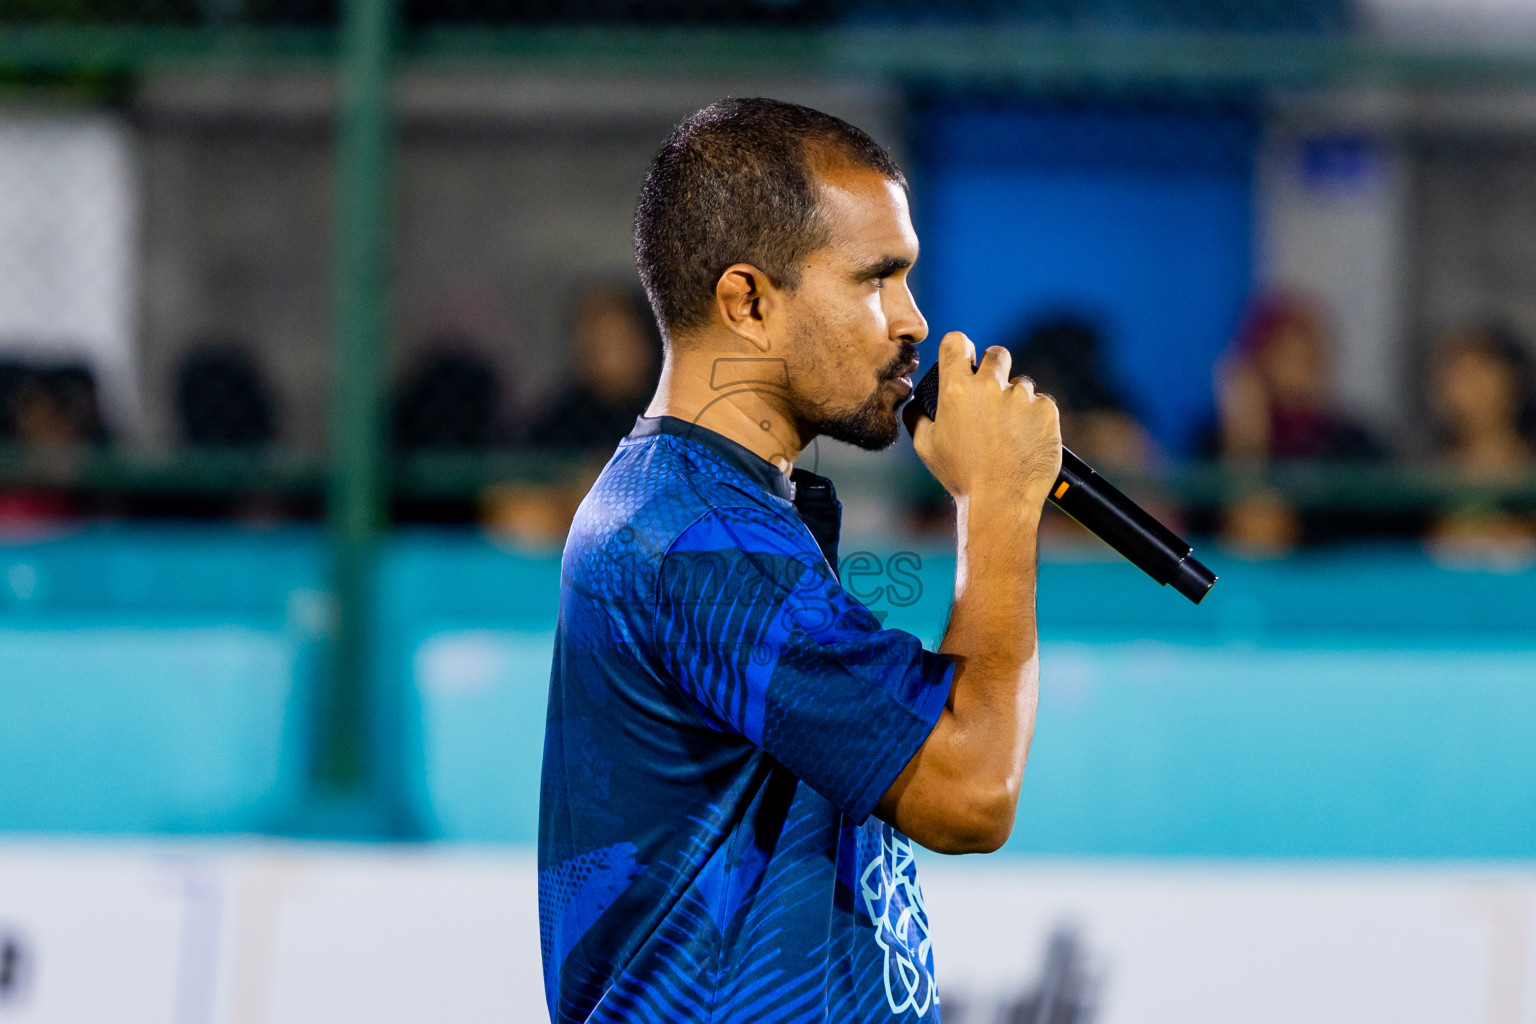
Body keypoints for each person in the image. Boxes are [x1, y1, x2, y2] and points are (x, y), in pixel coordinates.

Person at [539, 98, 1061, 1024]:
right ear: (748, 302)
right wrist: (998, 507)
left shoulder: (716, 511)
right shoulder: (694, 539)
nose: (913, 320)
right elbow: (973, 790)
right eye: (877, 280)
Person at [1203, 292, 1389, 552]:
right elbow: (1243, 534)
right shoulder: (1213, 442)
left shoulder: (1354, 445)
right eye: (1285, 354)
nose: (1300, 370)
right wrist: (1246, 441)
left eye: (1309, 356)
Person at [1424, 322, 1536, 559]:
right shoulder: (1427, 473)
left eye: (1479, 367)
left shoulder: (1527, 468)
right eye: (1455, 369)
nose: (1465, 383)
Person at [526, 285, 661, 453]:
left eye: (612, 339)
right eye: (590, 339)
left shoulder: (667, 414)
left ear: (643, 343)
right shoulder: (558, 421)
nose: (596, 352)